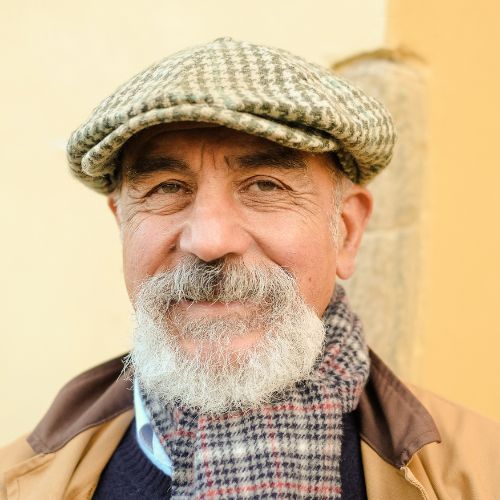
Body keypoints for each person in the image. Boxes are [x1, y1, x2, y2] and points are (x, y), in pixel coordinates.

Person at [1, 37, 499, 500]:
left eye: (265, 186)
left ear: (345, 232)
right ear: (122, 226)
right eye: (167, 188)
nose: (210, 240)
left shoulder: (481, 472)